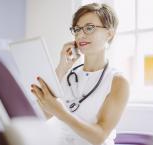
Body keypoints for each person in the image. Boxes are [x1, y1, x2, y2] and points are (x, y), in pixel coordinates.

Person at [30, 3, 129, 145]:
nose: (80, 35)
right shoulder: (68, 75)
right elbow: (45, 114)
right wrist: (62, 67)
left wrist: (62, 113)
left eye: (89, 28)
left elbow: (99, 136)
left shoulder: (118, 81)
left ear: (109, 33)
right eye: (77, 29)